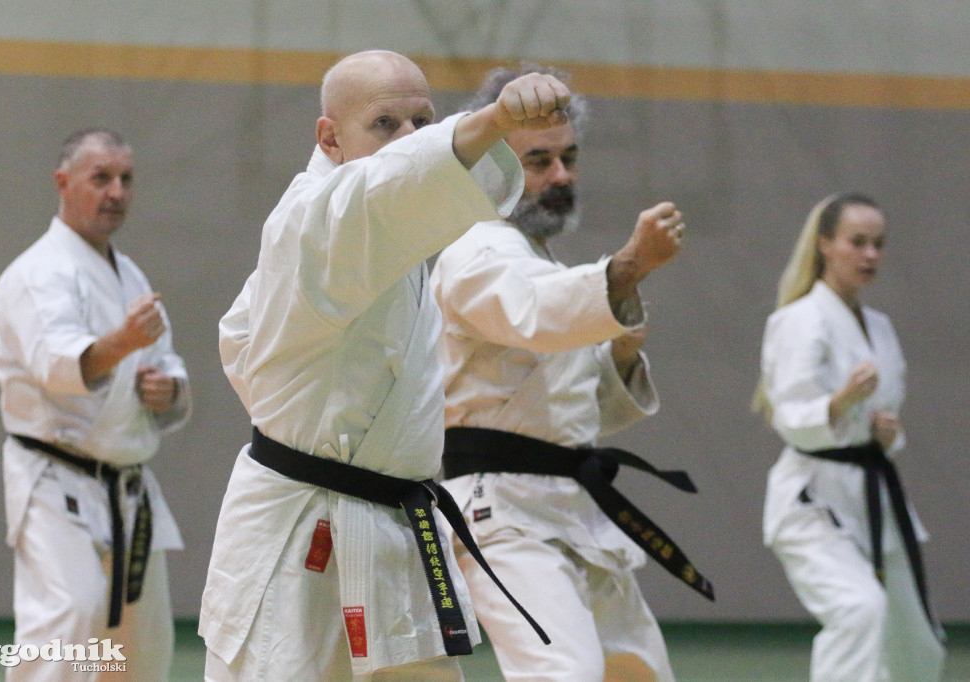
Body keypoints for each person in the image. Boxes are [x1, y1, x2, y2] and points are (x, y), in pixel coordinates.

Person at [200, 50, 571, 681]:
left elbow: (241, 341)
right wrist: (494, 119)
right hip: (303, 536)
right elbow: (385, 190)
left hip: (388, 527)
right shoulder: (316, 217)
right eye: (385, 124)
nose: (407, 139)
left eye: (420, 123)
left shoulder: (386, 244)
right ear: (330, 137)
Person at [431, 63, 712, 682]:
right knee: (563, 674)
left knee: (638, 671)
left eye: (569, 158)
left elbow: (576, 411)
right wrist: (630, 265)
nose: (561, 177)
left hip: (570, 503)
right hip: (500, 512)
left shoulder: (540, 261)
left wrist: (617, 356)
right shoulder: (474, 251)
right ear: (492, 168)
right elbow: (533, 312)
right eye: (540, 162)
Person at [0, 128, 192, 681]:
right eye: (100, 178)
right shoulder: (35, 275)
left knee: (141, 651)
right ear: (63, 183)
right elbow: (57, 367)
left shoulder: (128, 275)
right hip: (56, 481)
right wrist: (124, 344)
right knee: (68, 622)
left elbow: (167, 360)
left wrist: (167, 390)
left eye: (125, 179)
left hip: (127, 487)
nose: (116, 192)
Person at [753, 192, 946, 681]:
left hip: (873, 492)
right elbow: (789, 415)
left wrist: (886, 433)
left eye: (878, 244)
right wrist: (838, 403)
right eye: (857, 242)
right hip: (812, 500)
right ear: (824, 246)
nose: (870, 255)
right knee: (859, 612)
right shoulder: (798, 321)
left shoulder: (879, 327)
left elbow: (880, 423)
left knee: (917, 645)